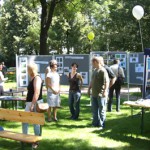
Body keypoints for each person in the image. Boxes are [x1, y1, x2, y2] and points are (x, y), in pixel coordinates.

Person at [22, 62, 43, 149]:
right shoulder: (32, 78)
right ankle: (25, 138)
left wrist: (32, 105)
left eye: (28, 69)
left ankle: (36, 141)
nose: (27, 71)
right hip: (30, 102)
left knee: (36, 122)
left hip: (35, 103)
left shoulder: (37, 78)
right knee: (24, 120)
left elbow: (37, 92)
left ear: (31, 70)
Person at [88, 57, 109, 130]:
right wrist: (89, 89)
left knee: (102, 110)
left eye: (93, 62)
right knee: (94, 110)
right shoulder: (94, 70)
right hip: (94, 94)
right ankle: (95, 123)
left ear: (97, 62)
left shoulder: (103, 71)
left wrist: (105, 91)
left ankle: (102, 124)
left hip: (100, 94)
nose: (92, 64)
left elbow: (106, 82)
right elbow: (92, 81)